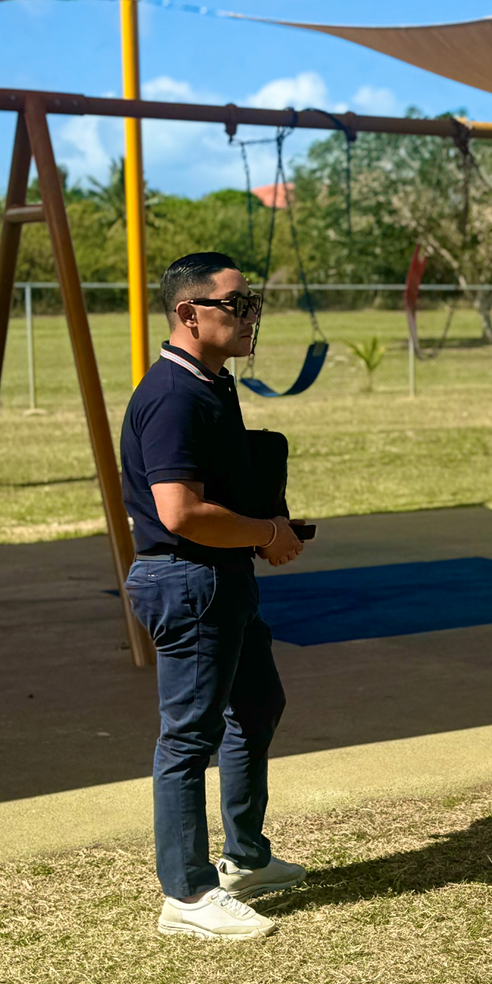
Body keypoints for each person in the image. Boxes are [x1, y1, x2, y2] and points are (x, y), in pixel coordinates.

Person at [120, 251, 308, 941]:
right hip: (189, 580)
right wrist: (265, 532)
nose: (250, 314)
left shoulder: (212, 383)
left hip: (221, 577)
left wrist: (263, 531)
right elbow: (178, 512)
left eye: (251, 301)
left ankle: (245, 859)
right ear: (188, 314)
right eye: (235, 304)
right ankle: (188, 895)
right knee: (188, 737)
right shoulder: (175, 395)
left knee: (257, 706)